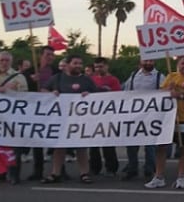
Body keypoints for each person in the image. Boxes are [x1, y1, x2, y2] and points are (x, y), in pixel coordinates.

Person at [145, 56, 184, 189]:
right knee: (161, 148)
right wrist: (168, 89)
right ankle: (159, 177)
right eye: (183, 64)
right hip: (167, 118)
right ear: (178, 65)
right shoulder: (171, 76)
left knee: (183, 149)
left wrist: (181, 95)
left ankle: (181, 177)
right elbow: (160, 93)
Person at [40, 55, 98, 184]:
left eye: (80, 63)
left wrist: (89, 95)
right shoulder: (57, 78)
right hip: (61, 119)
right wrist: (50, 94)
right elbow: (43, 89)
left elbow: (97, 95)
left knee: (81, 147)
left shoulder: (86, 80)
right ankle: (55, 173)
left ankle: (84, 173)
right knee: (59, 147)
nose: (78, 66)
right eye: (75, 63)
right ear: (67, 64)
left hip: (80, 119)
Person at [0, 51, 29, 184]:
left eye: (6, 60)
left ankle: (14, 175)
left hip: (13, 117)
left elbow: (25, 97)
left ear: (11, 62)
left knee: (14, 147)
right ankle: (0, 173)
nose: (4, 63)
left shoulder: (19, 77)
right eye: (1, 60)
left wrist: (9, 91)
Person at [121, 58, 165, 181]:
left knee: (150, 145)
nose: (148, 63)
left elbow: (164, 93)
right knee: (131, 145)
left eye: (151, 61)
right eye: (146, 61)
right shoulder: (134, 75)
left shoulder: (160, 77)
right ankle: (132, 169)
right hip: (134, 116)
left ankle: (149, 170)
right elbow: (126, 92)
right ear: (140, 62)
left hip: (152, 115)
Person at [21, 46, 59, 180]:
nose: (50, 57)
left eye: (52, 55)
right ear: (40, 56)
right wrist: (31, 80)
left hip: (53, 110)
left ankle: (59, 171)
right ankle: (38, 171)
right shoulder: (30, 72)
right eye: (48, 54)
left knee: (56, 142)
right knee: (36, 142)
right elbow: (22, 89)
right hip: (35, 111)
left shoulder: (57, 72)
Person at [88, 57, 120, 177]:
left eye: (101, 66)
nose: (98, 69)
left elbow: (118, 96)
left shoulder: (113, 80)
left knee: (108, 144)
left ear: (106, 66)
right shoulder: (91, 79)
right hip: (93, 116)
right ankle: (94, 168)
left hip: (108, 115)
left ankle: (111, 168)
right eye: (96, 67)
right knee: (93, 145)